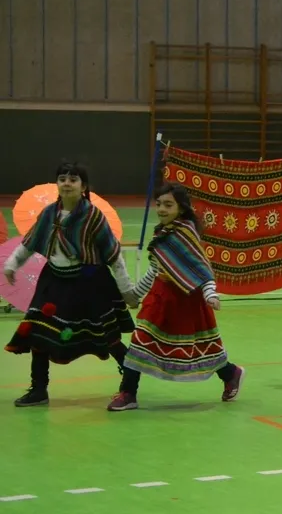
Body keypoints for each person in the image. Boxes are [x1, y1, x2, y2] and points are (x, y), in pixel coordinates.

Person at [3, 161, 137, 407]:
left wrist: (127, 290)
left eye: (73, 179)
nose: (67, 183)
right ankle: (38, 389)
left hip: (89, 284)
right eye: (62, 179)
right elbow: (30, 243)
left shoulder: (93, 217)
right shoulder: (49, 214)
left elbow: (113, 255)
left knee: (106, 335)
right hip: (54, 281)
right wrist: (12, 264)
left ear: (83, 186)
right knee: (39, 331)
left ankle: (130, 384)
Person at [107, 183, 245, 411]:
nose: (162, 209)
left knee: (204, 347)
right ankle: (128, 393)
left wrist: (210, 294)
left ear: (181, 208)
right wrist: (135, 295)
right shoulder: (162, 233)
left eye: (168, 205)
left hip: (186, 300)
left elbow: (201, 268)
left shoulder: (185, 234)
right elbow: (155, 270)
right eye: (159, 204)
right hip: (160, 298)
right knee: (140, 340)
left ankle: (230, 373)